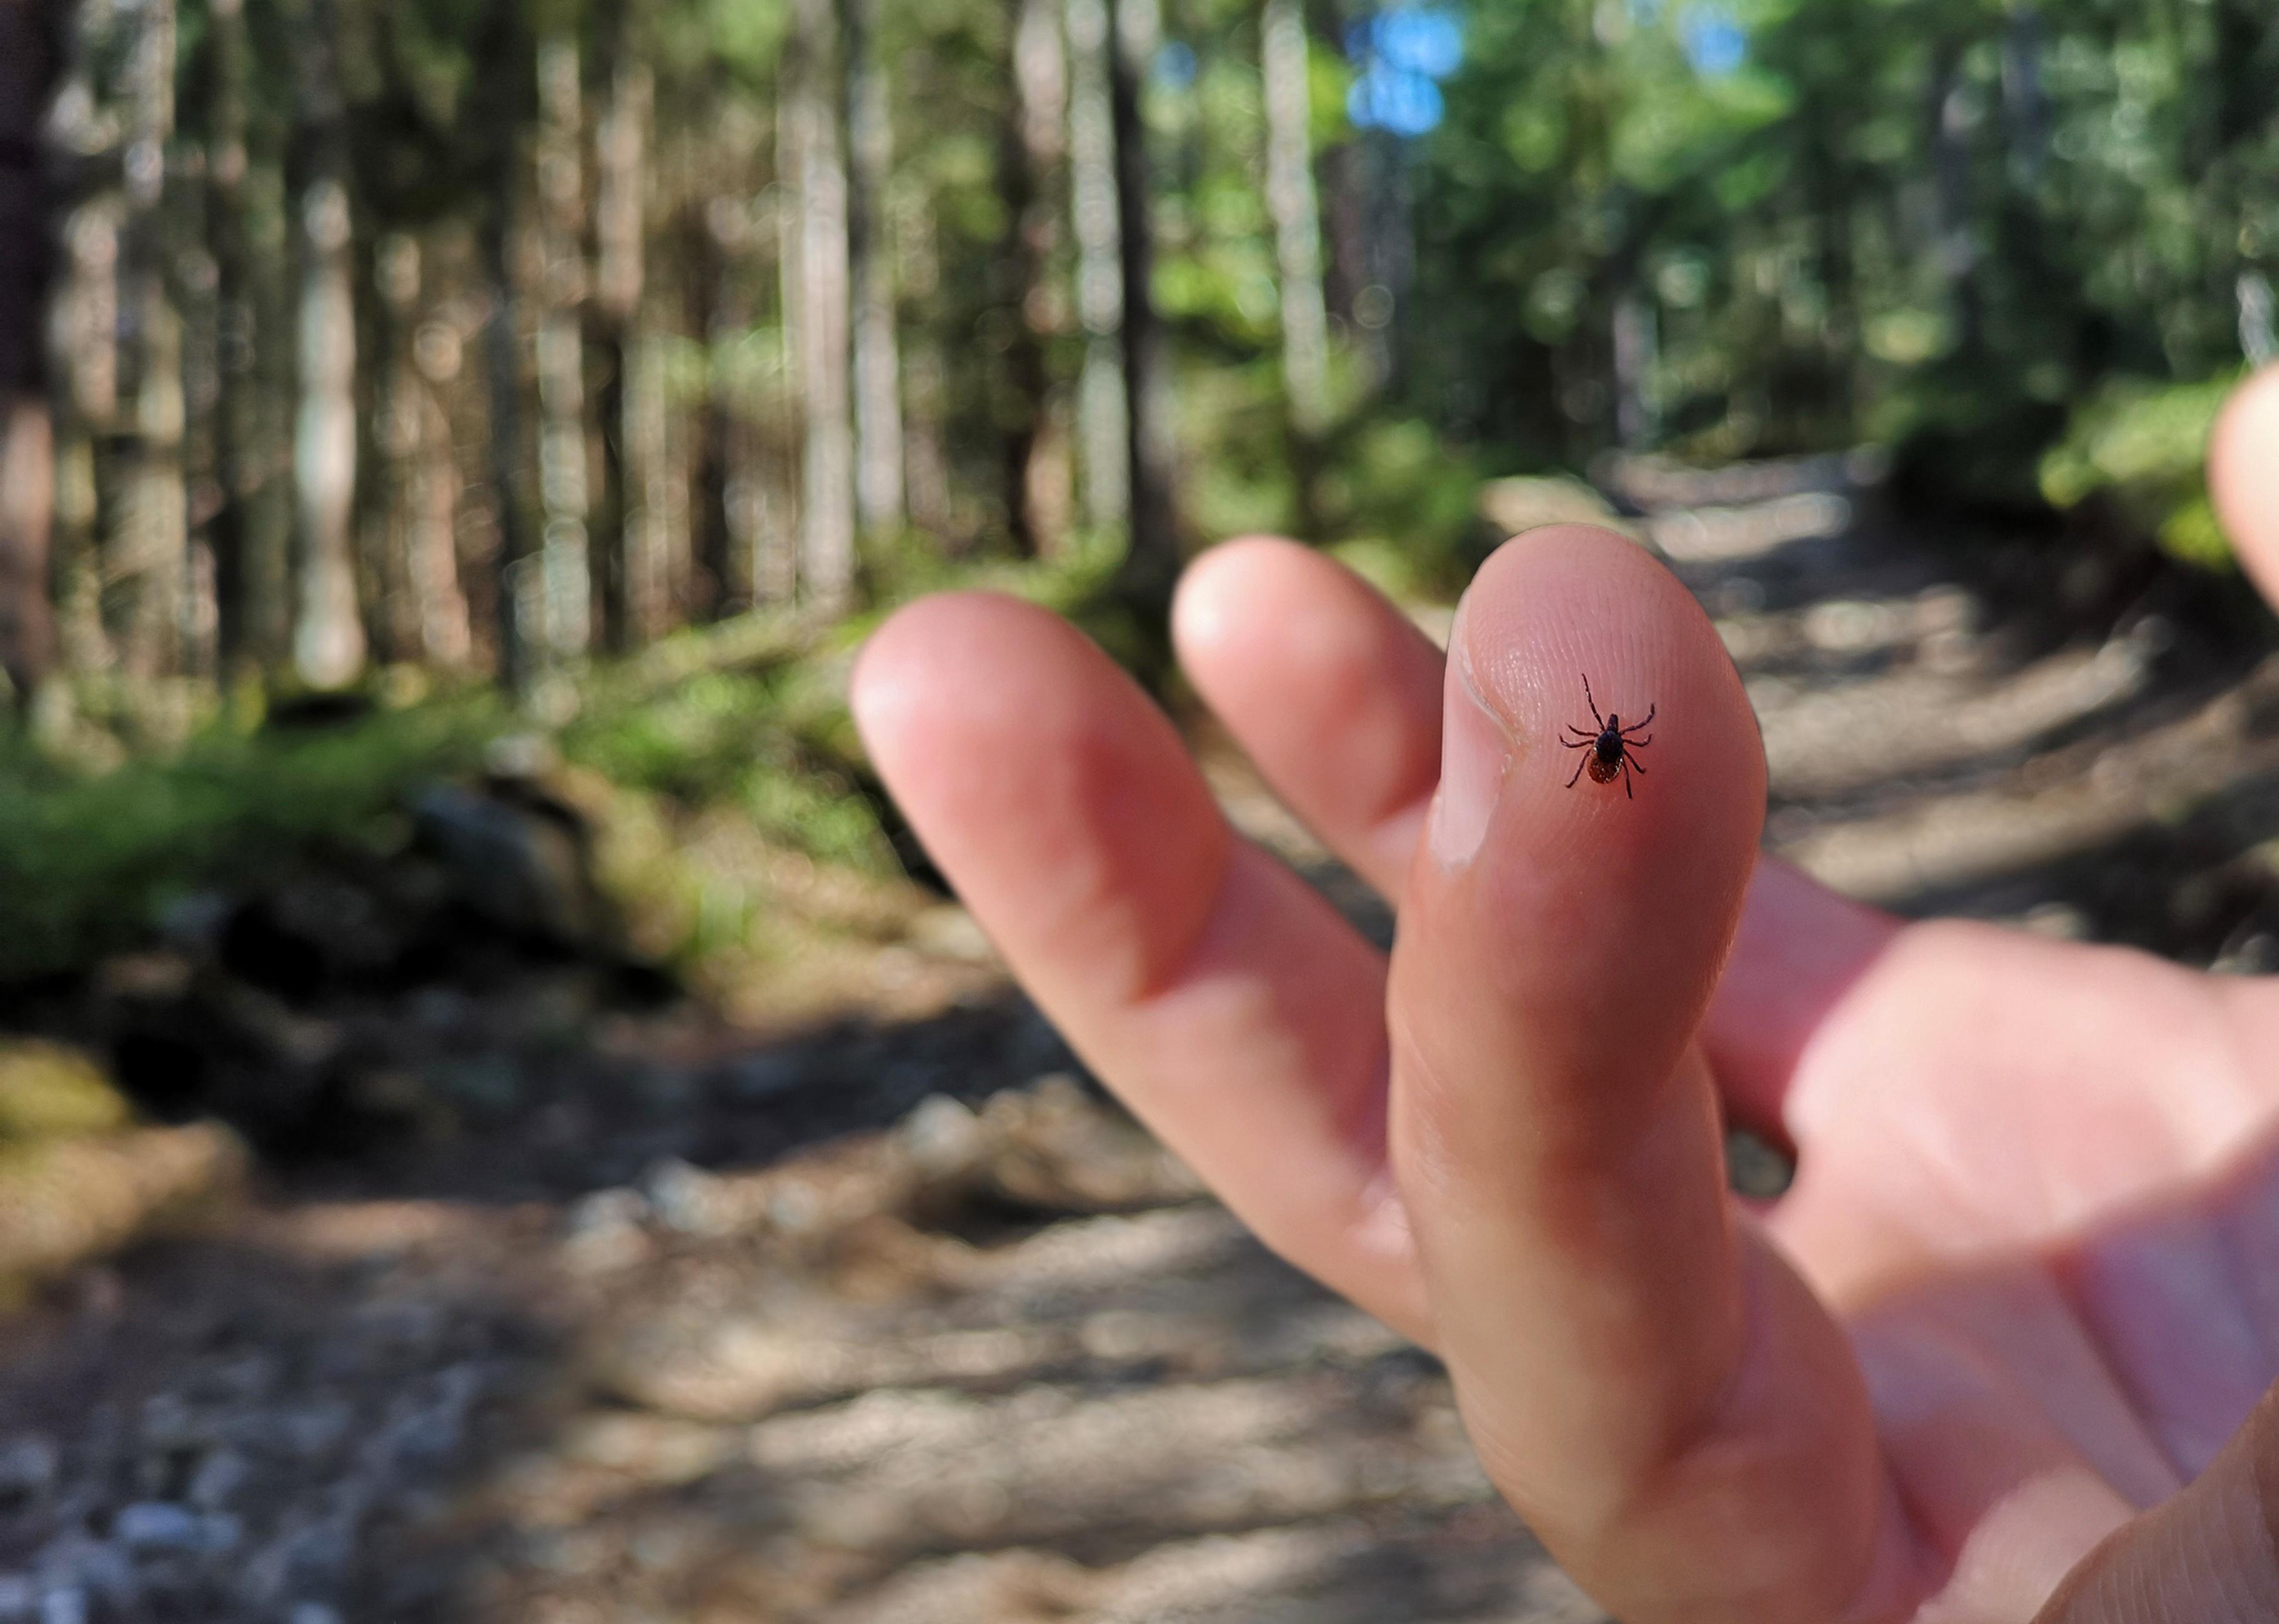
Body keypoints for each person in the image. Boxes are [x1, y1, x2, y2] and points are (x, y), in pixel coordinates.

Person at [848, 366, 2279, 1623]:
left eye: (1605, 738)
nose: (1606, 739)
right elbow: (1624, 735)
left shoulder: (1615, 739)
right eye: (1606, 736)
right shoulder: (1612, 739)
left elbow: (1627, 736)